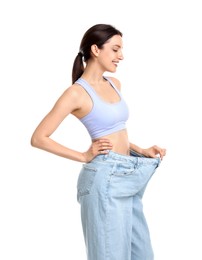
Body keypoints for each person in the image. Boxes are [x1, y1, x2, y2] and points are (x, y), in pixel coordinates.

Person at [31, 23, 166, 260]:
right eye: (115, 49)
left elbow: (114, 131)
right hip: (104, 178)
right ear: (95, 49)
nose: (121, 56)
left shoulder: (115, 84)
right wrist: (83, 156)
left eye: (121, 50)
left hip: (128, 175)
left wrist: (140, 149)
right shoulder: (76, 93)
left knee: (142, 254)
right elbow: (39, 138)